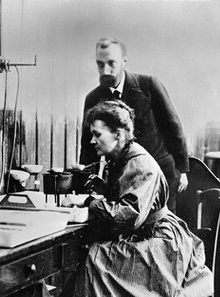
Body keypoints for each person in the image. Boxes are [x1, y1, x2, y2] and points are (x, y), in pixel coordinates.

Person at [44, 100, 212, 297]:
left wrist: (90, 202)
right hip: (146, 235)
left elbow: (127, 215)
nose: (92, 140)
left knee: (98, 263)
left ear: (119, 135)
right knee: (97, 259)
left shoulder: (139, 162)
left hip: (161, 242)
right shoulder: (121, 158)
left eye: (97, 134)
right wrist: (101, 190)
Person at [79, 37, 189, 213]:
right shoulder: (93, 98)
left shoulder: (148, 85)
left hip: (161, 173)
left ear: (124, 61)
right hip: (123, 177)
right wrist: (84, 180)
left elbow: (173, 126)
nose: (105, 70)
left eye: (111, 63)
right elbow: (88, 144)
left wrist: (182, 170)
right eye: (100, 64)